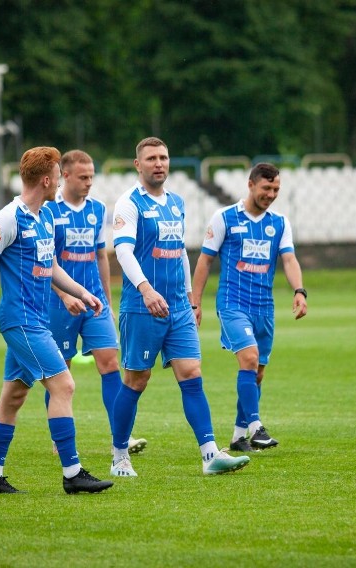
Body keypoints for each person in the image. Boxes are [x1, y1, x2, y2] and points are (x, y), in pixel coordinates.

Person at [0, 146, 113, 495]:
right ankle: (73, 473)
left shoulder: (45, 216)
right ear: (46, 179)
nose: (59, 181)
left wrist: (83, 293)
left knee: (13, 396)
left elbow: (52, 267)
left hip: (37, 321)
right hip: (21, 321)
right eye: (57, 175)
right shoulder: (8, 218)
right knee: (65, 386)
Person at [108, 136, 251, 477]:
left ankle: (210, 455)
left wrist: (191, 296)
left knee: (192, 374)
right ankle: (118, 457)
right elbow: (123, 251)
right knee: (136, 380)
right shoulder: (129, 203)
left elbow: (180, 252)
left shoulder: (176, 202)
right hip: (143, 306)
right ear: (137, 164)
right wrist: (145, 289)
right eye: (152, 158)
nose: (159, 163)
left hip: (177, 307)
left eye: (164, 157)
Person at [191, 162, 308, 452]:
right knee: (249, 357)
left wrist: (299, 291)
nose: (271, 194)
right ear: (251, 185)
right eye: (266, 188)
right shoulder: (225, 218)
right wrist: (195, 302)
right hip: (232, 303)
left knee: (258, 371)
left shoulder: (279, 223)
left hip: (264, 307)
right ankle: (256, 426)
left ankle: (238, 435)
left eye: (276, 189)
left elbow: (289, 260)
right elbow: (205, 261)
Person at [43, 149, 147, 456]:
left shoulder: (98, 209)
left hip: (94, 301)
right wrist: (63, 294)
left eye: (92, 176)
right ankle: (58, 435)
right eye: (84, 177)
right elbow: (45, 260)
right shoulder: (49, 210)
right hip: (58, 302)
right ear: (66, 175)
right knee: (60, 370)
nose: (89, 182)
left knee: (110, 362)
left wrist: (107, 300)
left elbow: (101, 254)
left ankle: (120, 435)